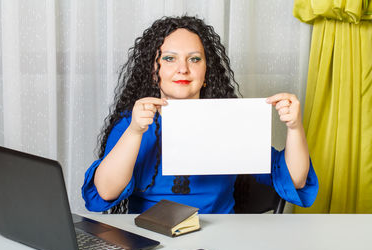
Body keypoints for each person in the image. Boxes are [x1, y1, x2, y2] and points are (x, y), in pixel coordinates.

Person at [82, 16, 318, 214]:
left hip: (219, 240)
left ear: (206, 72)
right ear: (155, 72)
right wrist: (134, 132)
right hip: (148, 238)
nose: (183, 68)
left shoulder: (229, 123)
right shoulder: (131, 123)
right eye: (169, 58)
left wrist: (295, 128)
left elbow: (295, 179)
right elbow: (105, 191)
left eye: (194, 59)